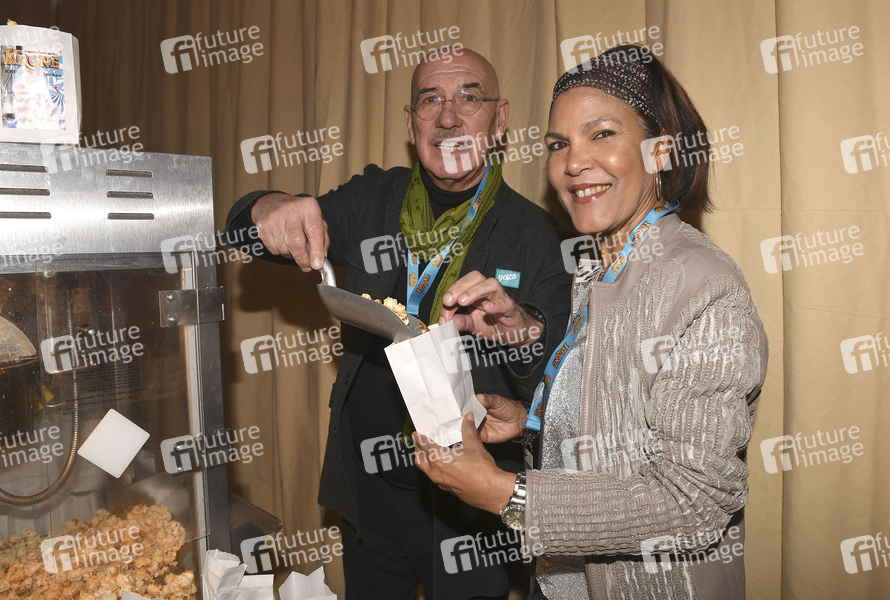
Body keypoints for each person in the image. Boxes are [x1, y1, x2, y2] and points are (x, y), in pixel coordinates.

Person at [414, 45, 769, 599]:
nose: (573, 162)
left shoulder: (706, 285)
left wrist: (507, 493)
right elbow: (620, 420)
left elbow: (694, 502)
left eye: (601, 134)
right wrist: (531, 421)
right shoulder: (596, 267)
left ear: (660, 151)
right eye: (559, 144)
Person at [223, 49, 572, 598]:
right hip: (371, 491)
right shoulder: (372, 199)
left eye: (469, 97)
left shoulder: (540, 234)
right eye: (430, 100)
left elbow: (558, 382)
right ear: (411, 124)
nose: (448, 117)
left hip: (472, 508)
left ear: (500, 118)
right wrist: (269, 205)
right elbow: (242, 232)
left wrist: (520, 328)